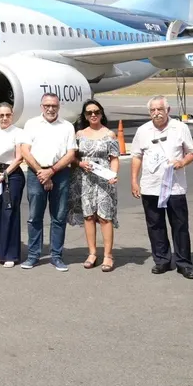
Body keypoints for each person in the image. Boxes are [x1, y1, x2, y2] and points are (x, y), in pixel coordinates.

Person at [130, 95, 193, 280]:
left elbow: (192, 152)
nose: (156, 113)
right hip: (151, 187)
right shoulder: (143, 131)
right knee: (155, 225)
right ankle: (162, 260)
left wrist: (182, 162)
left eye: (160, 109)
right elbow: (136, 156)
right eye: (152, 110)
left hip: (174, 187)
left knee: (180, 225)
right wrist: (134, 181)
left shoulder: (180, 128)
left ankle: (184, 263)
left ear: (167, 110)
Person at [20, 92, 78, 271]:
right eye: (47, 106)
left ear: (59, 107)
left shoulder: (67, 126)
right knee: (34, 217)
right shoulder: (31, 124)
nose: (50, 109)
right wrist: (41, 172)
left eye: (54, 106)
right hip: (36, 173)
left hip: (59, 173)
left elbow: (71, 154)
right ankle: (33, 255)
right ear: (41, 107)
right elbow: (25, 150)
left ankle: (56, 256)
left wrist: (51, 172)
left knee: (59, 217)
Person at [68, 99, 121, 273]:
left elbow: (114, 158)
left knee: (105, 217)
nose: (93, 115)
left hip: (104, 180)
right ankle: (92, 253)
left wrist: (113, 175)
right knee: (88, 216)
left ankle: (108, 255)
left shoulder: (110, 135)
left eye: (96, 112)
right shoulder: (79, 135)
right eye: (89, 112)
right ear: (84, 115)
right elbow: (72, 157)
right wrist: (80, 163)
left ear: (101, 113)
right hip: (84, 179)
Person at [0, 102, 25, 268]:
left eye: (7, 115)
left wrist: (5, 173)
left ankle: (11, 254)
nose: (4, 118)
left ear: (12, 115)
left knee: (10, 212)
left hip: (12, 175)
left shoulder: (18, 132)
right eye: (1, 115)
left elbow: (19, 157)